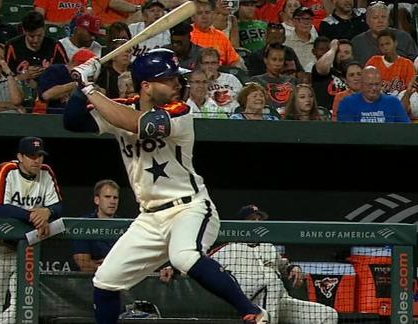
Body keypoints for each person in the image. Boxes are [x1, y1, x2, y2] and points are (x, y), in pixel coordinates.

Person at [64, 48, 268, 324]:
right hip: (149, 217)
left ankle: (253, 312)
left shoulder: (179, 111)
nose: (177, 84)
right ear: (146, 86)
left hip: (190, 208)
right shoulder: (121, 106)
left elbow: (138, 125)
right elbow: (73, 122)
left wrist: (89, 88)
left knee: (183, 256)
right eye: (168, 79)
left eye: (176, 78)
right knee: (105, 281)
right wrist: (80, 84)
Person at [0, 136, 63, 324]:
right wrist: (33, 216)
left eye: (40, 155)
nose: (37, 160)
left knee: (25, 305)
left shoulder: (46, 171)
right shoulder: (6, 170)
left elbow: (59, 207)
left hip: (25, 249)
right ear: (20, 156)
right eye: (31, 156)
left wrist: (47, 211)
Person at [209, 205, 339, 324]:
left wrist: (294, 268)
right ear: (241, 224)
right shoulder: (228, 248)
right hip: (249, 301)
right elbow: (203, 265)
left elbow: (284, 265)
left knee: (328, 314)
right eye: (252, 219)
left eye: (259, 219)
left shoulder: (269, 247)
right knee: (271, 281)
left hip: (279, 299)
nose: (257, 223)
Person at [72, 179, 120, 272]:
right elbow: (84, 264)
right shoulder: (83, 225)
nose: (112, 201)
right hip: (87, 281)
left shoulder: (126, 227)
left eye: (115, 198)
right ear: (97, 200)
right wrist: (111, 267)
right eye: (107, 197)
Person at [338, 66, 410, 123]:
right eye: (370, 84)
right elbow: (347, 133)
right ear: (361, 84)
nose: (374, 88)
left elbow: (405, 130)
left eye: (377, 84)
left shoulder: (394, 102)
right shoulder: (347, 103)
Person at [191, 0, 244, 68]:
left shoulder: (221, 36)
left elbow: (234, 60)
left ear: (212, 15)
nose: (204, 17)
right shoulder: (188, 34)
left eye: (207, 13)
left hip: (220, 73)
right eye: (199, 13)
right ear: (192, 17)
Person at [365, 28, 415, 96]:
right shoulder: (373, 61)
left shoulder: (407, 64)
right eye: (381, 45)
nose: (385, 48)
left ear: (395, 43)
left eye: (387, 44)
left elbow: (410, 89)